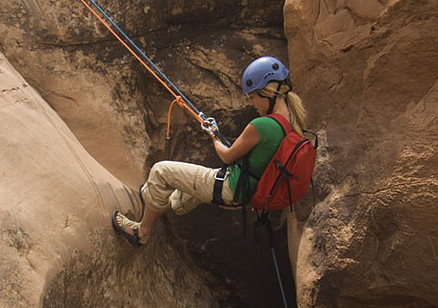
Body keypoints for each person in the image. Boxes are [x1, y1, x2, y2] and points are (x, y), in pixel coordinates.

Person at [111, 56, 307, 246]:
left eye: (253, 97)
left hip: (231, 188)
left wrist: (213, 135)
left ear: (269, 93)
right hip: (246, 193)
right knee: (192, 188)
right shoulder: (292, 123)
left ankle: (142, 232)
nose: (250, 103)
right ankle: (157, 203)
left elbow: (227, 155)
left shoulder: (263, 125)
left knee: (161, 171)